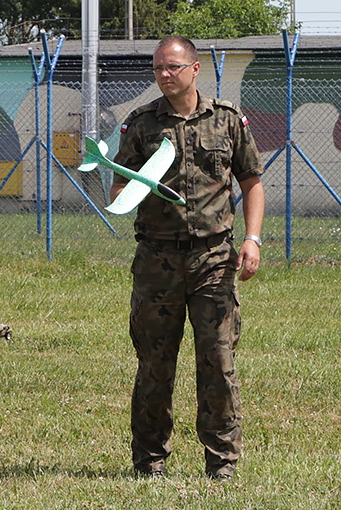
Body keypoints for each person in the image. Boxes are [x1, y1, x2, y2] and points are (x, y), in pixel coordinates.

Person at [112, 36, 265, 481]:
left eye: (173, 67)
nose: (164, 74)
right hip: (157, 261)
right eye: (158, 67)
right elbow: (118, 191)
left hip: (213, 260)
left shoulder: (227, 120)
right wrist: (141, 185)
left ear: (195, 69)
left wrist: (251, 240)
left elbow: (251, 181)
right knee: (155, 364)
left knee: (217, 362)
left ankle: (221, 463)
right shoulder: (141, 125)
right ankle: (149, 461)